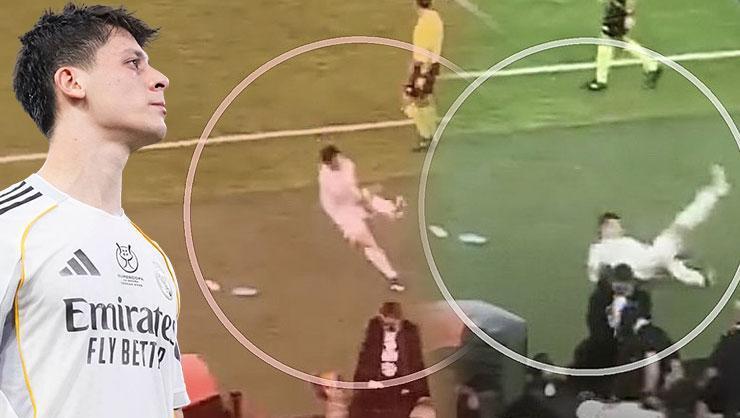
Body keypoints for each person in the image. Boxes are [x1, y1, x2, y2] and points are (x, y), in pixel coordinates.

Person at [0, 4, 188, 417]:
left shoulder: (154, 261)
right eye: (133, 63)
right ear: (72, 82)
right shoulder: (10, 229)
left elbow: (168, 406)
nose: (160, 79)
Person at [587, 164, 730, 286]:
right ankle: (715, 192)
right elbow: (593, 273)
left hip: (648, 263)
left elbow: (594, 274)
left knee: (670, 259)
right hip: (650, 259)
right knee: (681, 224)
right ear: (605, 227)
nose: (620, 228)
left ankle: (700, 279)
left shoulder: (618, 243)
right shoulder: (599, 248)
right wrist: (608, 275)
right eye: (616, 225)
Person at [318, 145, 406, 291]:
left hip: (352, 200)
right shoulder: (327, 180)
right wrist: (367, 205)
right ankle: (392, 277)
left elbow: (355, 191)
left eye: (335, 159)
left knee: (373, 201)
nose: (335, 163)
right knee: (368, 242)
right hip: (341, 212)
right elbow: (351, 196)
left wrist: (367, 201)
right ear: (327, 164)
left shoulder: (347, 164)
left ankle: (392, 210)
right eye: (331, 163)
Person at [349, 302, 431, 418]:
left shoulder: (408, 335)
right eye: (386, 323)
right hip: (375, 386)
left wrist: (420, 393)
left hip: (400, 388)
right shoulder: (374, 333)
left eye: (393, 323)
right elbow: (365, 360)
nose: (390, 327)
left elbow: (414, 362)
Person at [585, 0, 662, 91]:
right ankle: (652, 64)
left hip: (619, 12)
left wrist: (629, 14)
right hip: (616, 10)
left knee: (609, 40)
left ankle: (601, 80)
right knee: (616, 40)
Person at [402, 0, 444, 152]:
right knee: (424, 98)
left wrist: (418, 69)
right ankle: (430, 132)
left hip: (424, 67)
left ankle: (427, 136)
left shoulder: (423, 25)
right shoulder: (435, 18)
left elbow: (423, 50)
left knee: (415, 100)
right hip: (430, 65)